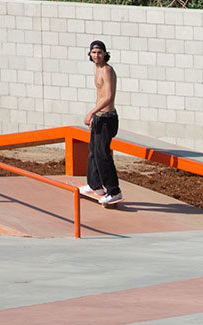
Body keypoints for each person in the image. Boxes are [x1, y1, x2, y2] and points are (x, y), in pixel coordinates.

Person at [80, 39, 122, 207]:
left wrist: (91, 112)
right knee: (93, 152)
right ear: (90, 54)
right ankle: (95, 185)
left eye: (99, 52)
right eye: (94, 53)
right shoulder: (97, 70)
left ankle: (114, 191)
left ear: (105, 54)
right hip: (99, 118)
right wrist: (95, 116)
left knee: (103, 155)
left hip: (107, 119)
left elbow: (109, 97)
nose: (96, 55)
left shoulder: (107, 71)